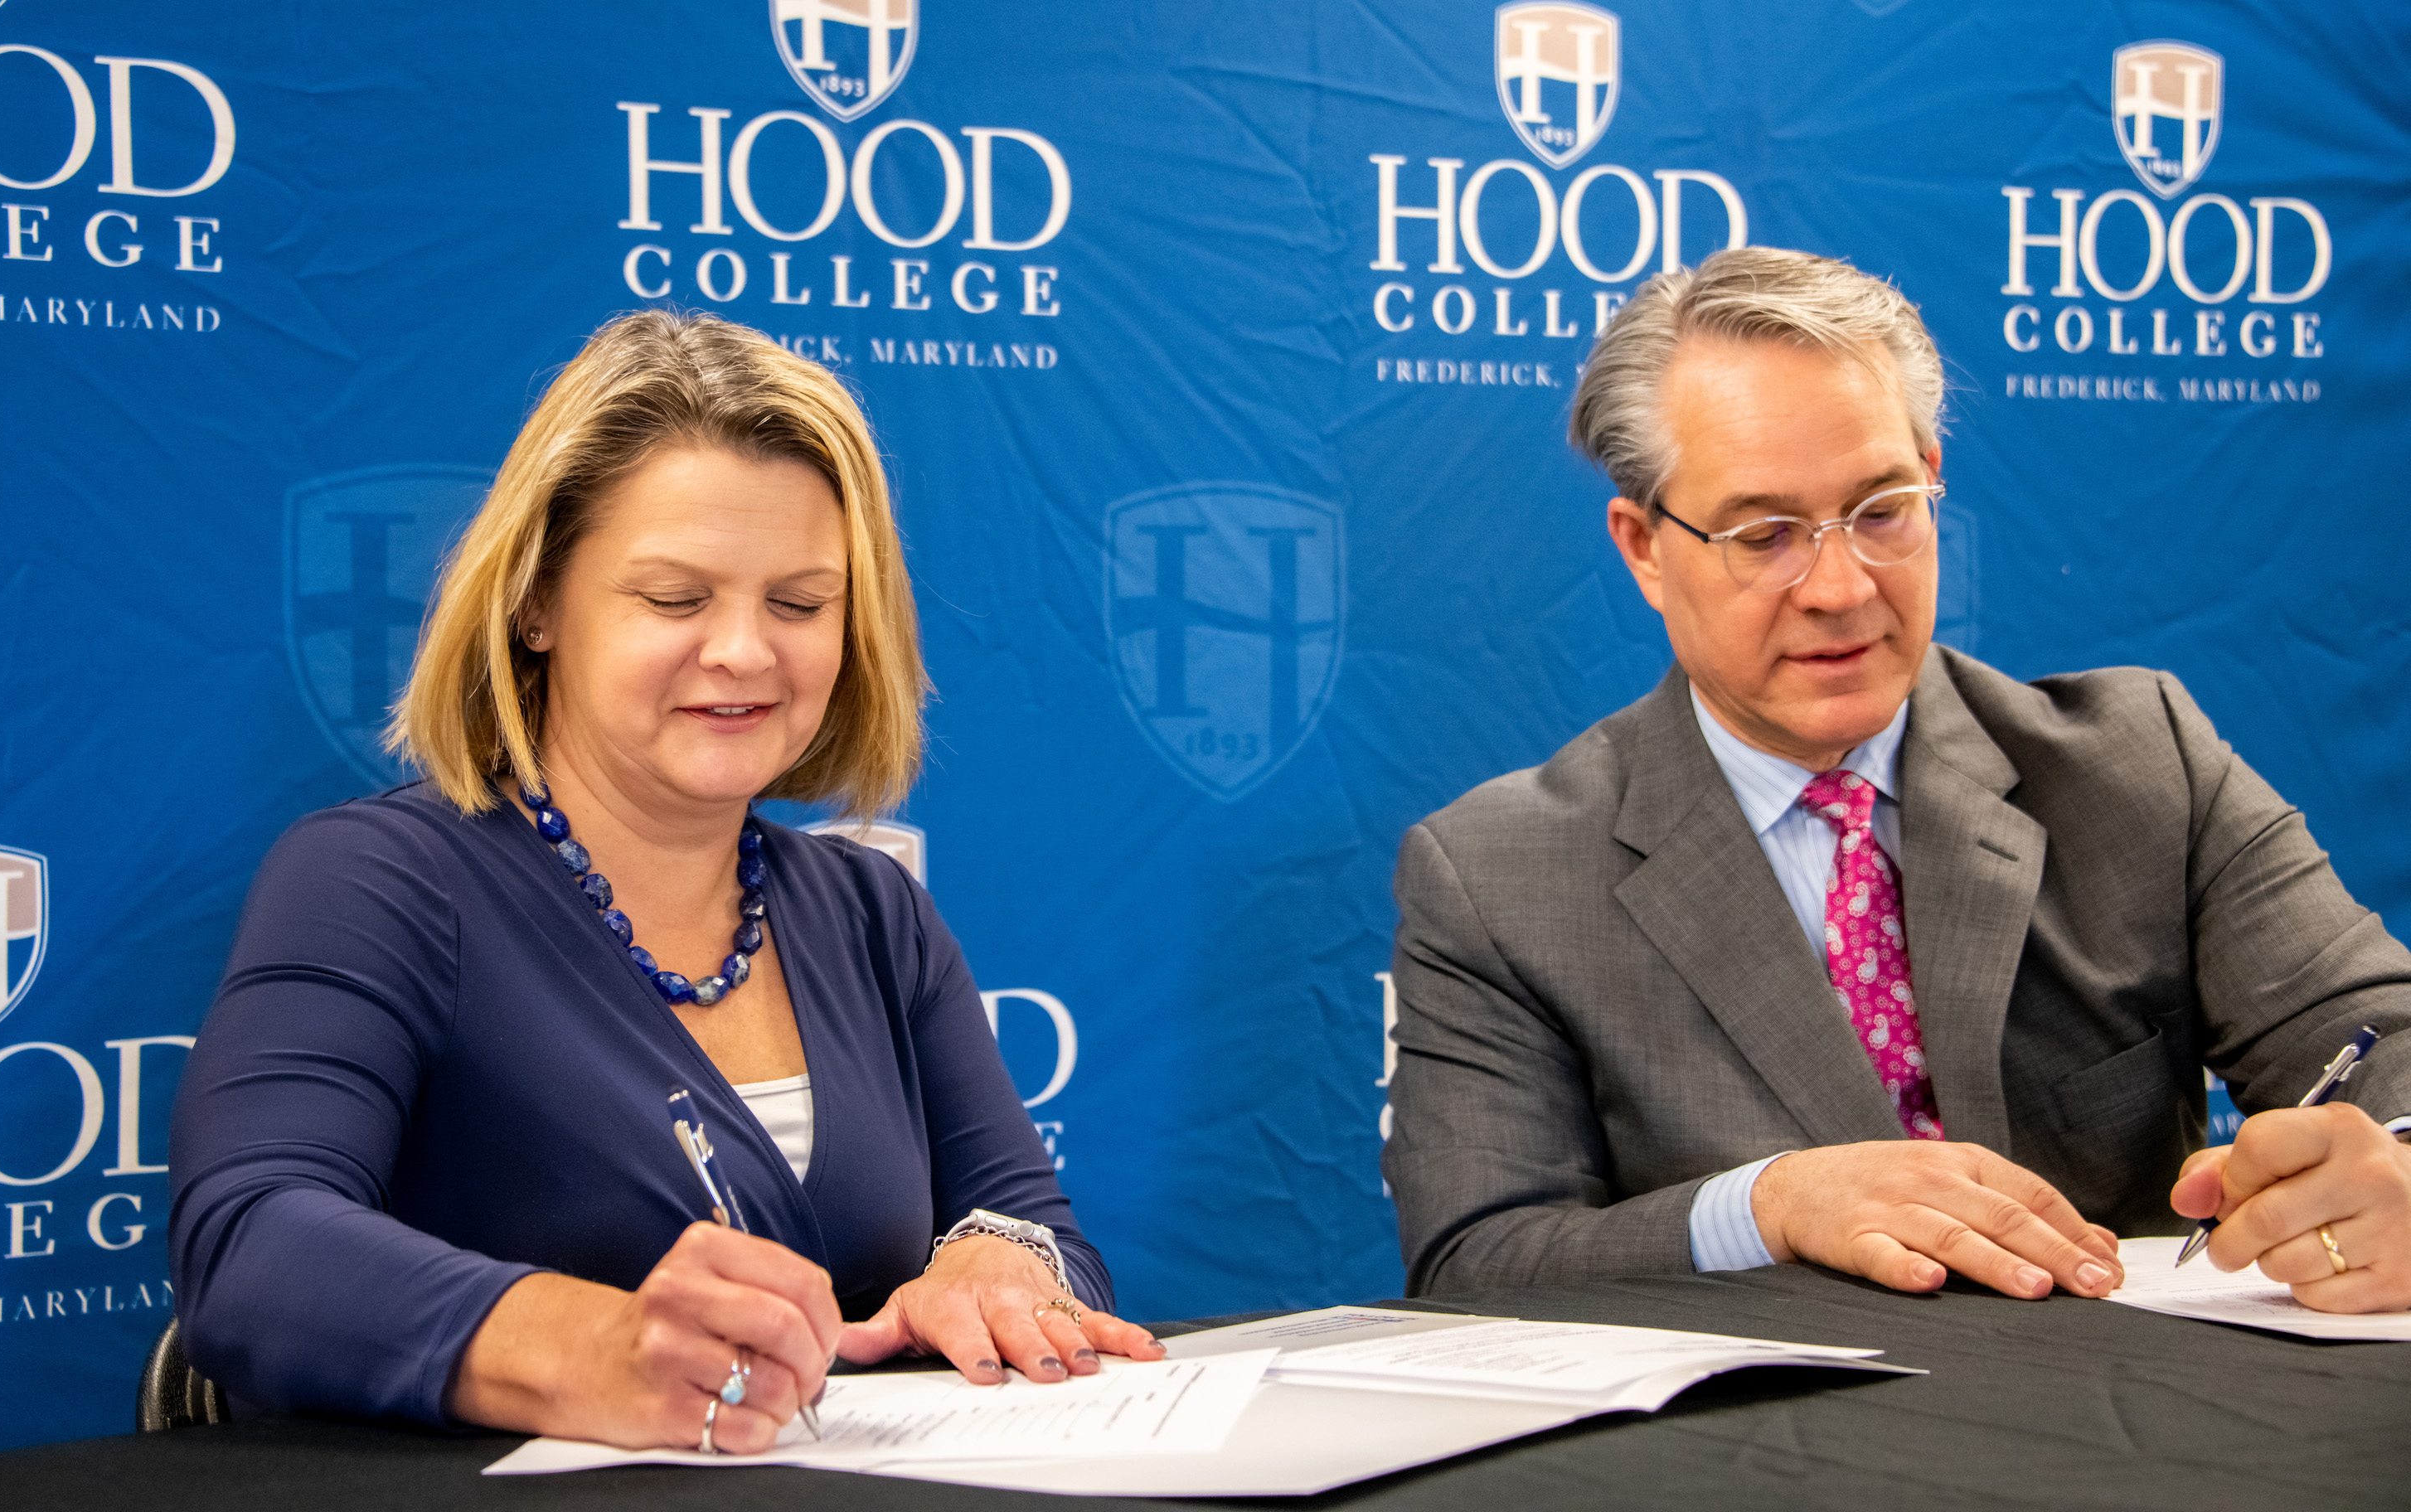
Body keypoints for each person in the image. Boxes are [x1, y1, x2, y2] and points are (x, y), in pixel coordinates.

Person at [170, 310, 1161, 1454]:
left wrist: (998, 1264)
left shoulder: (875, 915)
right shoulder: (378, 880)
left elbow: (1036, 1225)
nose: (744, 651)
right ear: (536, 603)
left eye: (799, 603)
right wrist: (590, 1348)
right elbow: (248, 1246)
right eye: (675, 599)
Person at [1384, 247, 2411, 1314]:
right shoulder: (1498, 875)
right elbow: (1481, 1259)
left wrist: (2398, 1167)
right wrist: (1768, 1204)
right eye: (1764, 533)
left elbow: (2385, 1035)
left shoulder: (2144, 761)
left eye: (1882, 510)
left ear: (1931, 477)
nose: (1839, 587)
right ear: (1645, 546)